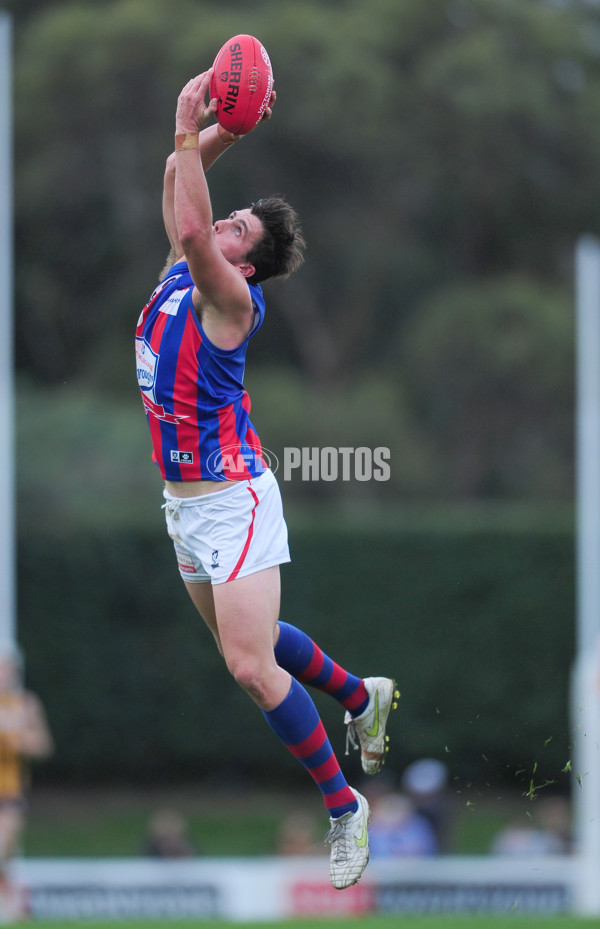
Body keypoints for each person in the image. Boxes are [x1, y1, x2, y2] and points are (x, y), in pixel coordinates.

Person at [135, 68, 399, 890]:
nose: (224, 223)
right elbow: (182, 191)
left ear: (246, 266)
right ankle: (360, 694)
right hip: (183, 508)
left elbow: (187, 220)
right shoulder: (184, 270)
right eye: (230, 214)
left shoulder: (229, 301)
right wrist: (227, 132)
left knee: (251, 668)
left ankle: (343, 803)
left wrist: (187, 123)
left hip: (234, 497)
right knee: (244, 648)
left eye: (238, 228)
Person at [0, 651, 53, 920]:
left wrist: (21, 743)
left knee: (4, 845)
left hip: (10, 789)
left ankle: (8, 896)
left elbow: (44, 744)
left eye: (7, 669)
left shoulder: (27, 703)